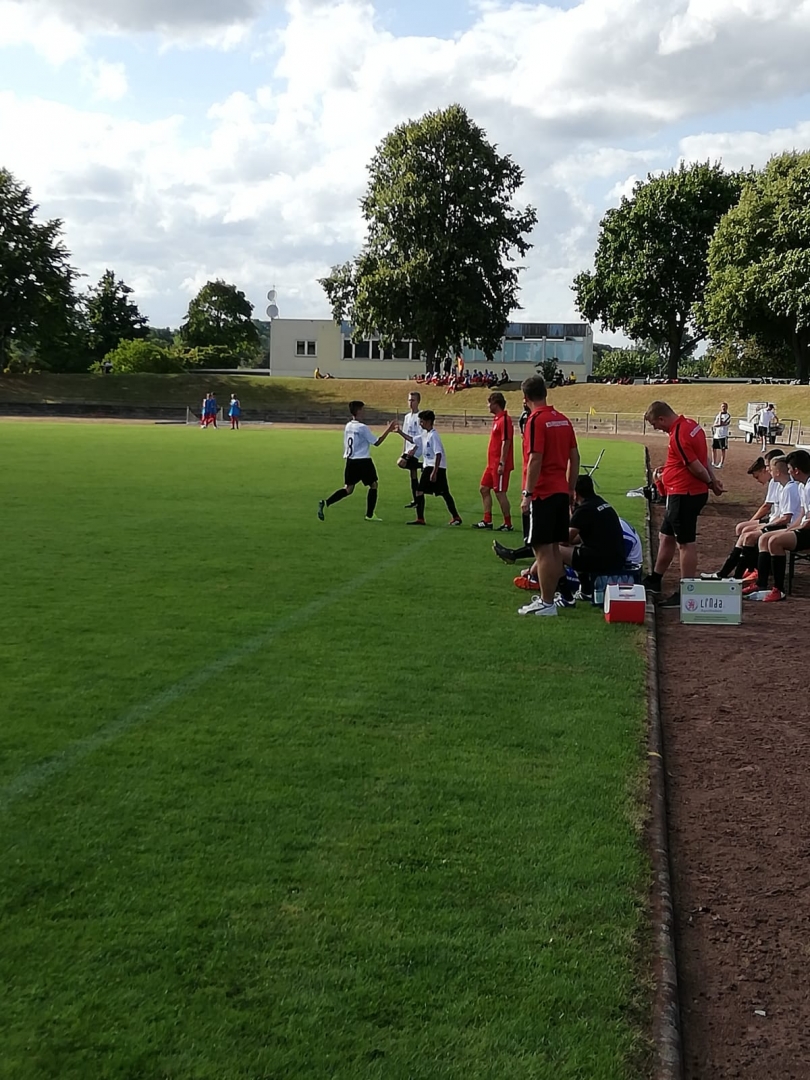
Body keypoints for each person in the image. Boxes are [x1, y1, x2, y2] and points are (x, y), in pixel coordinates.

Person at [642, 401, 723, 608]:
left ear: (661, 418)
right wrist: (712, 480)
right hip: (682, 492)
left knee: (685, 543)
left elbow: (696, 466)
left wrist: (710, 483)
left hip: (684, 493)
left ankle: (687, 590)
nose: (657, 429)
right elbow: (703, 458)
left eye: (655, 425)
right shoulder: (691, 425)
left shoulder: (679, 434)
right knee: (666, 536)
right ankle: (655, 579)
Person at [514, 375, 579, 618]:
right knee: (553, 549)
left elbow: (535, 458)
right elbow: (575, 457)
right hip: (560, 490)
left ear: (525, 398)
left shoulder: (535, 420)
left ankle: (546, 601)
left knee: (541, 549)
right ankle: (557, 598)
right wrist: (570, 488)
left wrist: (527, 494)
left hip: (542, 493)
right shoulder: (562, 419)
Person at [745, 449, 810, 602]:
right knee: (766, 538)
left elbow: (808, 520)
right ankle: (761, 583)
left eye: (789, 468)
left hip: (808, 530)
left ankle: (778, 589)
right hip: (804, 527)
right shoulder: (803, 486)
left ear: (796, 470)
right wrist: (791, 529)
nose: (788, 471)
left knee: (774, 541)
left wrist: (796, 529)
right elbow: (802, 513)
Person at [318, 402, 397, 522]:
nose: (364, 412)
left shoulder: (348, 425)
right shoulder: (362, 427)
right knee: (373, 485)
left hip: (350, 461)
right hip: (363, 461)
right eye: (363, 409)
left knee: (348, 489)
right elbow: (377, 442)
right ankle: (369, 515)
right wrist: (388, 429)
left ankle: (326, 502)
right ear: (359, 411)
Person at [406, 410, 462, 526]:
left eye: (422, 421)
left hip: (435, 467)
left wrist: (434, 472)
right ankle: (455, 517)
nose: (420, 424)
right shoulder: (425, 434)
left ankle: (421, 518)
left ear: (428, 422)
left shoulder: (433, 436)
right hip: (430, 467)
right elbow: (412, 439)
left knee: (423, 491)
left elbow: (438, 454)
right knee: (442, 493)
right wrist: (399, 432)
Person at [473, 392, 514, 531]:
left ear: (496, 404)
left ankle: (508, 523)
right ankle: (487, 520)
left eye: (489, 403)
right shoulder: (497, 419)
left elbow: (506, 441)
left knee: (500, 492)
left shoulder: (505, 420)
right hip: (491, 464)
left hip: (499, 464)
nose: (488, 406)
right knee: (484, 488)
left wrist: (502, 462)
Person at [397, 390, 423, 508]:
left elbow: (422, 435)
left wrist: (415, 448)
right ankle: (416, 500)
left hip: (417, 449)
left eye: (413, 400)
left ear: (418, 402)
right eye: (409, 400)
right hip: (408, 448)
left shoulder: (420, 416)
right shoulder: (407, 417)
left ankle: (423, 466)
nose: (410, 402)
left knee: (401, 463)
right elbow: (405, 435)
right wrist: (404, 450)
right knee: (413, 474)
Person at [711, 402, 731, 468]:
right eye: (722, 406)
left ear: (727, 407)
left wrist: (719, 416)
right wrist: (717, 422)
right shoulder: (718, 415)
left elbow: (720, 423)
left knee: (723, 450)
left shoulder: (728, 416)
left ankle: (721, 463)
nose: (723, 408)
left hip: (723, 435)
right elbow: (714, 424)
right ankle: (713, 462)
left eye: (724, 406)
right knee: (713, 448)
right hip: (716, 435)